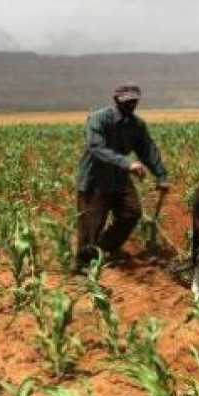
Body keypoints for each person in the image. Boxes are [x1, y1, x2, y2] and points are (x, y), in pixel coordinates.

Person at [75, 82, 170, 269]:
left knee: (131, 213)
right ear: (116, 100)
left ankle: (104, 249)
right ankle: (83, 268)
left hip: (119, 178)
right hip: (95, 180)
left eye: (134, 101)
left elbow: (148, 150)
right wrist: (128, 164)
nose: (130, 105)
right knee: (91, 226)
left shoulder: (137, 125)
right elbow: (96, 148)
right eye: (126, 101)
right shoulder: (99, 119)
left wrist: (161, 176)